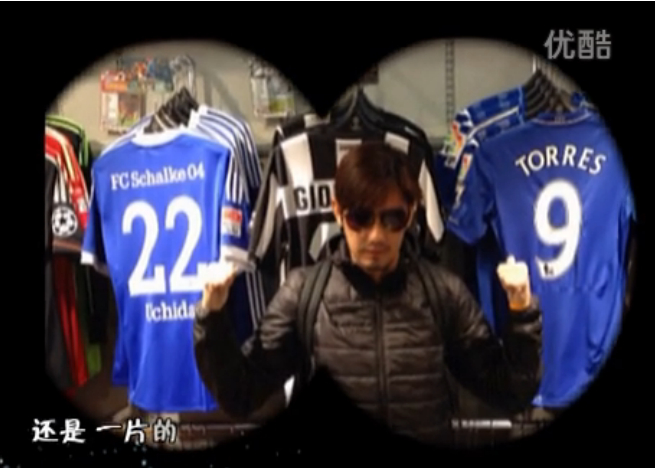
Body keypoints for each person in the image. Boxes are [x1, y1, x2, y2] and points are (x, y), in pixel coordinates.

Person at [193, 141, 543, 446]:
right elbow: (241, 394)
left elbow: (509, 391)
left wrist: (521, 310)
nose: (376, 235)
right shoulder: (304, 293)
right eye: (361, 217)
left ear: (410, 215)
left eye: (392, 219)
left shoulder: (442, 293)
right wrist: (212, 315)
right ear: (338, 212)